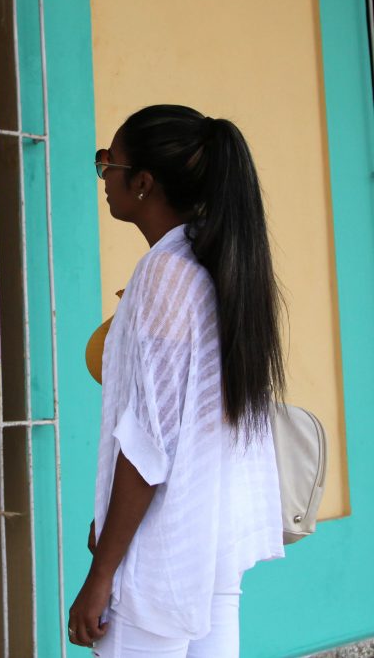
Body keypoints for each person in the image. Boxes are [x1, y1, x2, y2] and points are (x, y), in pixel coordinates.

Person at [68, 105, 285, 656]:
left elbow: (147, 445)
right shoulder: (216, 264)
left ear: (142, 182)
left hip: (160, 555)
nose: (104, 179)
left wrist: (102, 572)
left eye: (106, 164)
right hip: (208, 545)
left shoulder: (166, 273)